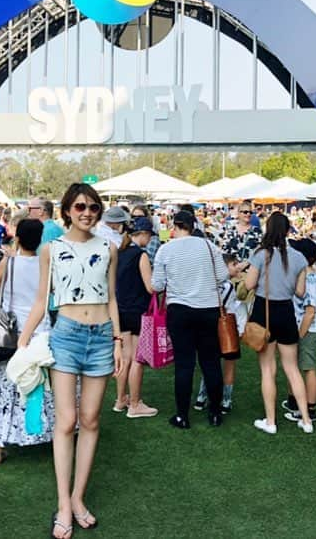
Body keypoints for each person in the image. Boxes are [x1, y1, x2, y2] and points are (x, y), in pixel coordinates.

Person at [18, 183, 123, 539]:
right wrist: (22, 340)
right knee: (66, 421)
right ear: (67, 210)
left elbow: (112, 298)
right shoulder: (51, 249)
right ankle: (63, 502)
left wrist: (119, 340)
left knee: (90, 420)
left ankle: (78, 498)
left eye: (94, 207)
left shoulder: (109, 248)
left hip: (101, 339)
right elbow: (40, 300)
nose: (88, 213)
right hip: (66, 335)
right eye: (80, 207)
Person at [0, 219, 54, 468]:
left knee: (4, 389)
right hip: (40, 332)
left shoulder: (9, 262)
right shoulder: (46, 265)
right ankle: (41, 432)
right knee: (38, 386)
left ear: (19, 238)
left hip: (9, 334)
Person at [151, 210, 228, 430]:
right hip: (208, 308)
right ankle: (215, 413)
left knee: (184, 365)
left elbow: (157, 285)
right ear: (193, 225)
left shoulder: (165, 250)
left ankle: (182, 415)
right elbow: (222, 275)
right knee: (211, 363)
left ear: (174, 226)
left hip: (180, 310)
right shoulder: (209, 247)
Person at [244, 212, 314, 435]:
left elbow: (249, 283)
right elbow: (301, 292)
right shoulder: (299, 258)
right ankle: (305, 419)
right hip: (286, 312)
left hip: (263, 313)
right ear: (287, 231)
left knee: (267, 370)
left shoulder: (260, 254)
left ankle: (271, 421)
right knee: (292, 368)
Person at [112, 217, 158, 419]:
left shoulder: (119, 253)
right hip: (137, 311)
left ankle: (120, 399)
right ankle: (135, 403)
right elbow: (151, 287)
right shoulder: (141, 256)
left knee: (125, 357)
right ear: (145, 234)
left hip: (120, 310)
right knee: (137, 359)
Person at [194, 253, 248, 413]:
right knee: (229, 365)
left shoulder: (206, 283)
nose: (236, 267)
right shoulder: (228, 286)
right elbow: (232, 308)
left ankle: (201, 397)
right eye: (233, 264)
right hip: (227, 328)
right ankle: (225, 400)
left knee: (209, 364)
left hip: (208, 327)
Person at [283, 239, 316, 424]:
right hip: (302, 325)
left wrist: (299, 335)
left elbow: (310, 312)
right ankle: (294, 402)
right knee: (295, 365)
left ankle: (309, 408)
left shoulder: (309, 278)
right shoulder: (308, 273)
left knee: (308, 367)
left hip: (307, 328)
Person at [219, 201, 263, 270]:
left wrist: (246, 263)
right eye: (245, 212)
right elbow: (222, 247)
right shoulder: (229, 227)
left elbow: (260, 252)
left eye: (250, 212)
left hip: (248, 272)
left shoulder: (257, 231)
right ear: (239, 213)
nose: (248, 214)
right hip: (228, 270)